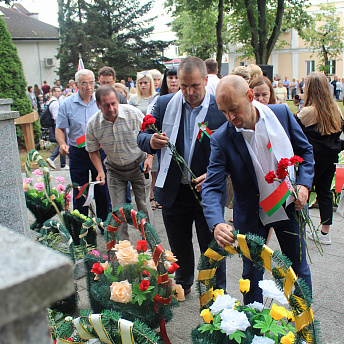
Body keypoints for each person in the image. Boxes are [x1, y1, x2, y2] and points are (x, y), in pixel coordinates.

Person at [201, 75, 314, 304]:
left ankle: (305, 327)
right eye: (224, 112)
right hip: (252, 215)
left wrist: (303, 184)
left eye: (234, 109)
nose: (230, 118)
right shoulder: (221, 138)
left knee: (297, 268)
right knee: (251, 275)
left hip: (289, 204)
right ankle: (254, 330)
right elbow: (212, 186)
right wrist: (216, 222)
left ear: (250, 96)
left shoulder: (281, 114)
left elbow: (306, 152)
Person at [137, 56, 227, 295]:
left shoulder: (219, 106)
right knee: (179, 245)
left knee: (212, 244)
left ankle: (217, 293)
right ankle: (183, 283)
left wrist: (215, 174)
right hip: (173, 189)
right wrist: (151, 141)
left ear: (206, 80)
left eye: (195, 86)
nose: (188, 92)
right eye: (184, 85)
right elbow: (142, 136)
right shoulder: (165, 103)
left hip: (206, 189)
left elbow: (234, 147)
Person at [86, 86, 154, 239]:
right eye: (106, 105)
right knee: (118, 210)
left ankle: (151, 243)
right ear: (98, 105)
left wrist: (149, 157)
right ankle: (123, 250)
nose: (111, 109)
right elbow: (92, 150)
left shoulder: (133, 113)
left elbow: (150, 135)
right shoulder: (93, 124)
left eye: (113, 103)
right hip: (115, 169)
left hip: (139, 165)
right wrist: (100, 171)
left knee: (143, 206)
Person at [55, 69, 110, 226]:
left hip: (98, 151)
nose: (89, 87)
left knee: (101, 187)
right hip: (77, 152)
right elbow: (60, 128)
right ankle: (82, 225)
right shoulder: (67, 104)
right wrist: (62, 144)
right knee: (80, 190)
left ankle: (103, 223)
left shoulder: (100, 101)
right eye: (84, 83)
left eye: (92, 82)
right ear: (76, 84)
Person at [296, 72, 344, 245]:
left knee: (303, 192)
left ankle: (299, 229)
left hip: (311, 161)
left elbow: (293, 133)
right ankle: (325, 233)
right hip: (330, 158)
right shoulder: (335, 110)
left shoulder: (306, 112)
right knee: (324, 193)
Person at [46, 86, 69, 170]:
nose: (60, 93)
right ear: (53, 92)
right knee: (63, 143)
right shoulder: (55, 103)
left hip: (57, 125)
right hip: (58, 126)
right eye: (58, 91)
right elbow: (56, 117)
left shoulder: (52, 101)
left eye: (60, 91)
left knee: (63, 143)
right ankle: (53, 159)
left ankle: (61, 163)